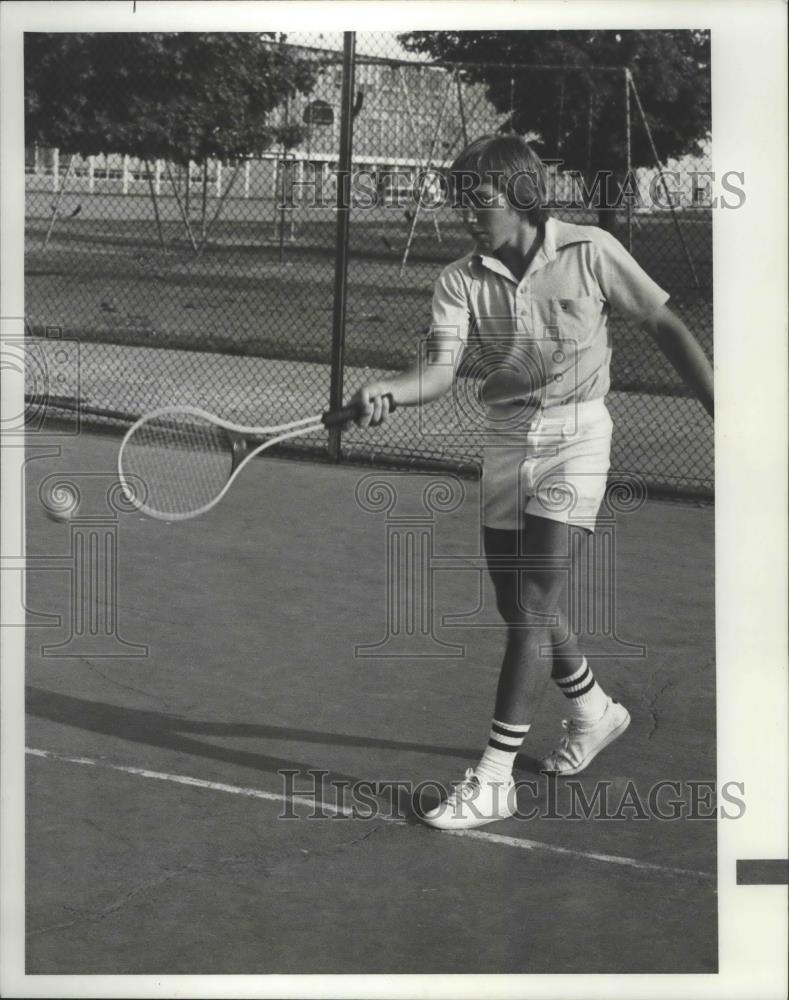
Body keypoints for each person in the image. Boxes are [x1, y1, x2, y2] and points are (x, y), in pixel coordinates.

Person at [349, 134, 714, 830]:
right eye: (458, 201)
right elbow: (436, 374)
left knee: (530, 607)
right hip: (506, 440)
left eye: (477, 200)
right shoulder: (458, 279)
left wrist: (715, 399)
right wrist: (388, 391)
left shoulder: (589, 250)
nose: (464, 213)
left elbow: (662, 320)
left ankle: (492, 780)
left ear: (518, 196)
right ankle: (592, 711)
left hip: (577, 436)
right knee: (518, 600)